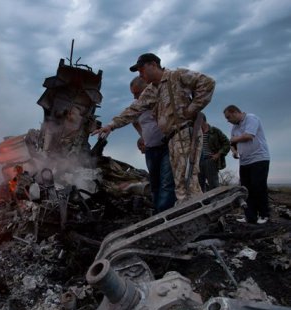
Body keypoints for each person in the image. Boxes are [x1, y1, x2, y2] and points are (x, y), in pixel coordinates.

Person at [93, 53, 216, 203]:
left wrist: (191, 109)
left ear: (153, 64)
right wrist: (110, 126)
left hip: (184, 132)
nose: (140, 74)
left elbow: (207, 82)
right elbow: (133, 110)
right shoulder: (151, 90)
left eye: (141, 69)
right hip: (172, 138)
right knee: (182, 182)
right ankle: (193, 214)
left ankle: (195, 216)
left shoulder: (176, 76)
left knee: (186, 180)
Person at [131, 77, 176, 213]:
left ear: (147, 88)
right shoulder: (136, 105)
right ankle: (158, 213)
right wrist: (143, 136)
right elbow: (134, 121)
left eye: (137, 93)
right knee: (155, 183)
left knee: (167, 182)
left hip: (167, 147)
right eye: (133, 94)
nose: (135, 96)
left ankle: (165, 214)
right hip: (150, 149)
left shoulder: (160, 100)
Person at [223, 105, 270, 224]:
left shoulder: (251, 118)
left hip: (259, 159)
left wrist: (234, 140)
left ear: (234, 112)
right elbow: (232, 143)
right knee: (246, 189)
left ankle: (264, 215)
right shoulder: (234, 127)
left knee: (258, 187)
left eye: (228, 117)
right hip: (244, 161)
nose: (227, 120)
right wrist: (234, 152)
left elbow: (249, 136)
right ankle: (250, 216)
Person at [198, 113, 230, 192]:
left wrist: (218, 154)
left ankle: (217, 202)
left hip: (210, 160)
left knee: (214, 185)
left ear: (202, 120)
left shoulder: (214, 131)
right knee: (199, 186)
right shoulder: (196, 133)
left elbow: (227, 143)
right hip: (198, 162)